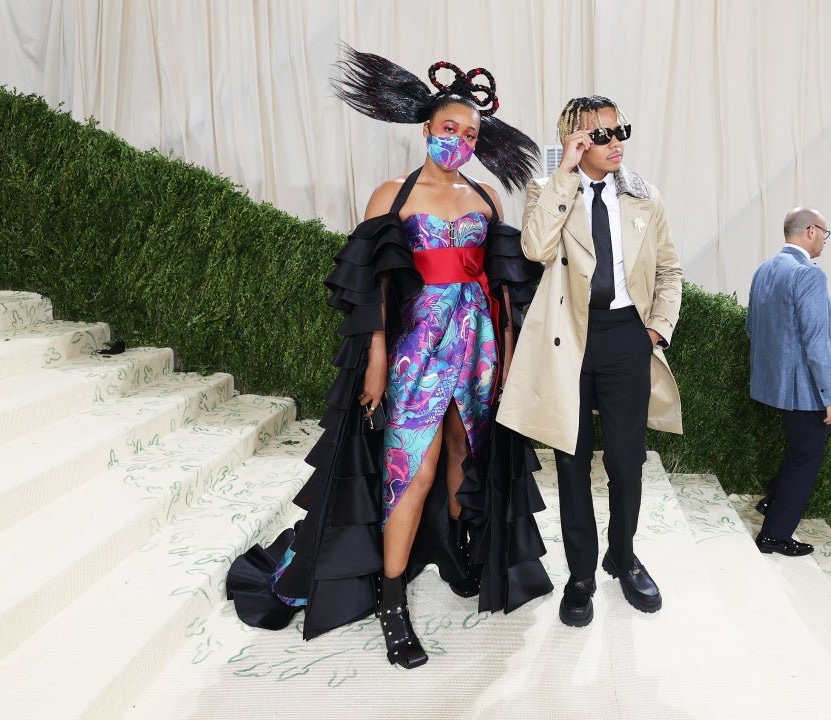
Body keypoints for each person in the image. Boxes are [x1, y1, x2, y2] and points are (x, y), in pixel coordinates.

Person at [227, 45, 552, 669]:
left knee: (468, 453)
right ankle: (394, 601)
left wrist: (507, 359)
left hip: (479, 346)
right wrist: (376, 358)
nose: (458, 139)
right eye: (449, 128)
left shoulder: (488, 198)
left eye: (470, 132)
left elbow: (505, 288)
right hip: (418, 347)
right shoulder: (390, 195)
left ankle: (458, 556)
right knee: (413, 468)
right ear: (427, 128)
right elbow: (372, 286)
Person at [497, 96, 683, 628]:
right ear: (576, 140)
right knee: (572, 463)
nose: (615, 141)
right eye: (599, 135)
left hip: (628, 338)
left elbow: (669, 270)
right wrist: (564, 173)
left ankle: (622, 558)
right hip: (569, 341)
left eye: (619, 129)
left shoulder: (645, 197)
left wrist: (654, 331)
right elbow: (534, 248)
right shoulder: (549, 191)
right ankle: (580, 574)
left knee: (627, 462)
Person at [746, 206, 831, 557]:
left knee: (797, 449)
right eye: (825, 234)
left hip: (773, 384)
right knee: (806, 458)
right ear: (812, 231)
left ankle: (771, 504)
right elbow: (818, 343)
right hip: (804, 391)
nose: (824, 242)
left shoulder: (765, 269)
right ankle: (774, 535)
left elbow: (752, 328)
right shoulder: (809, 275)